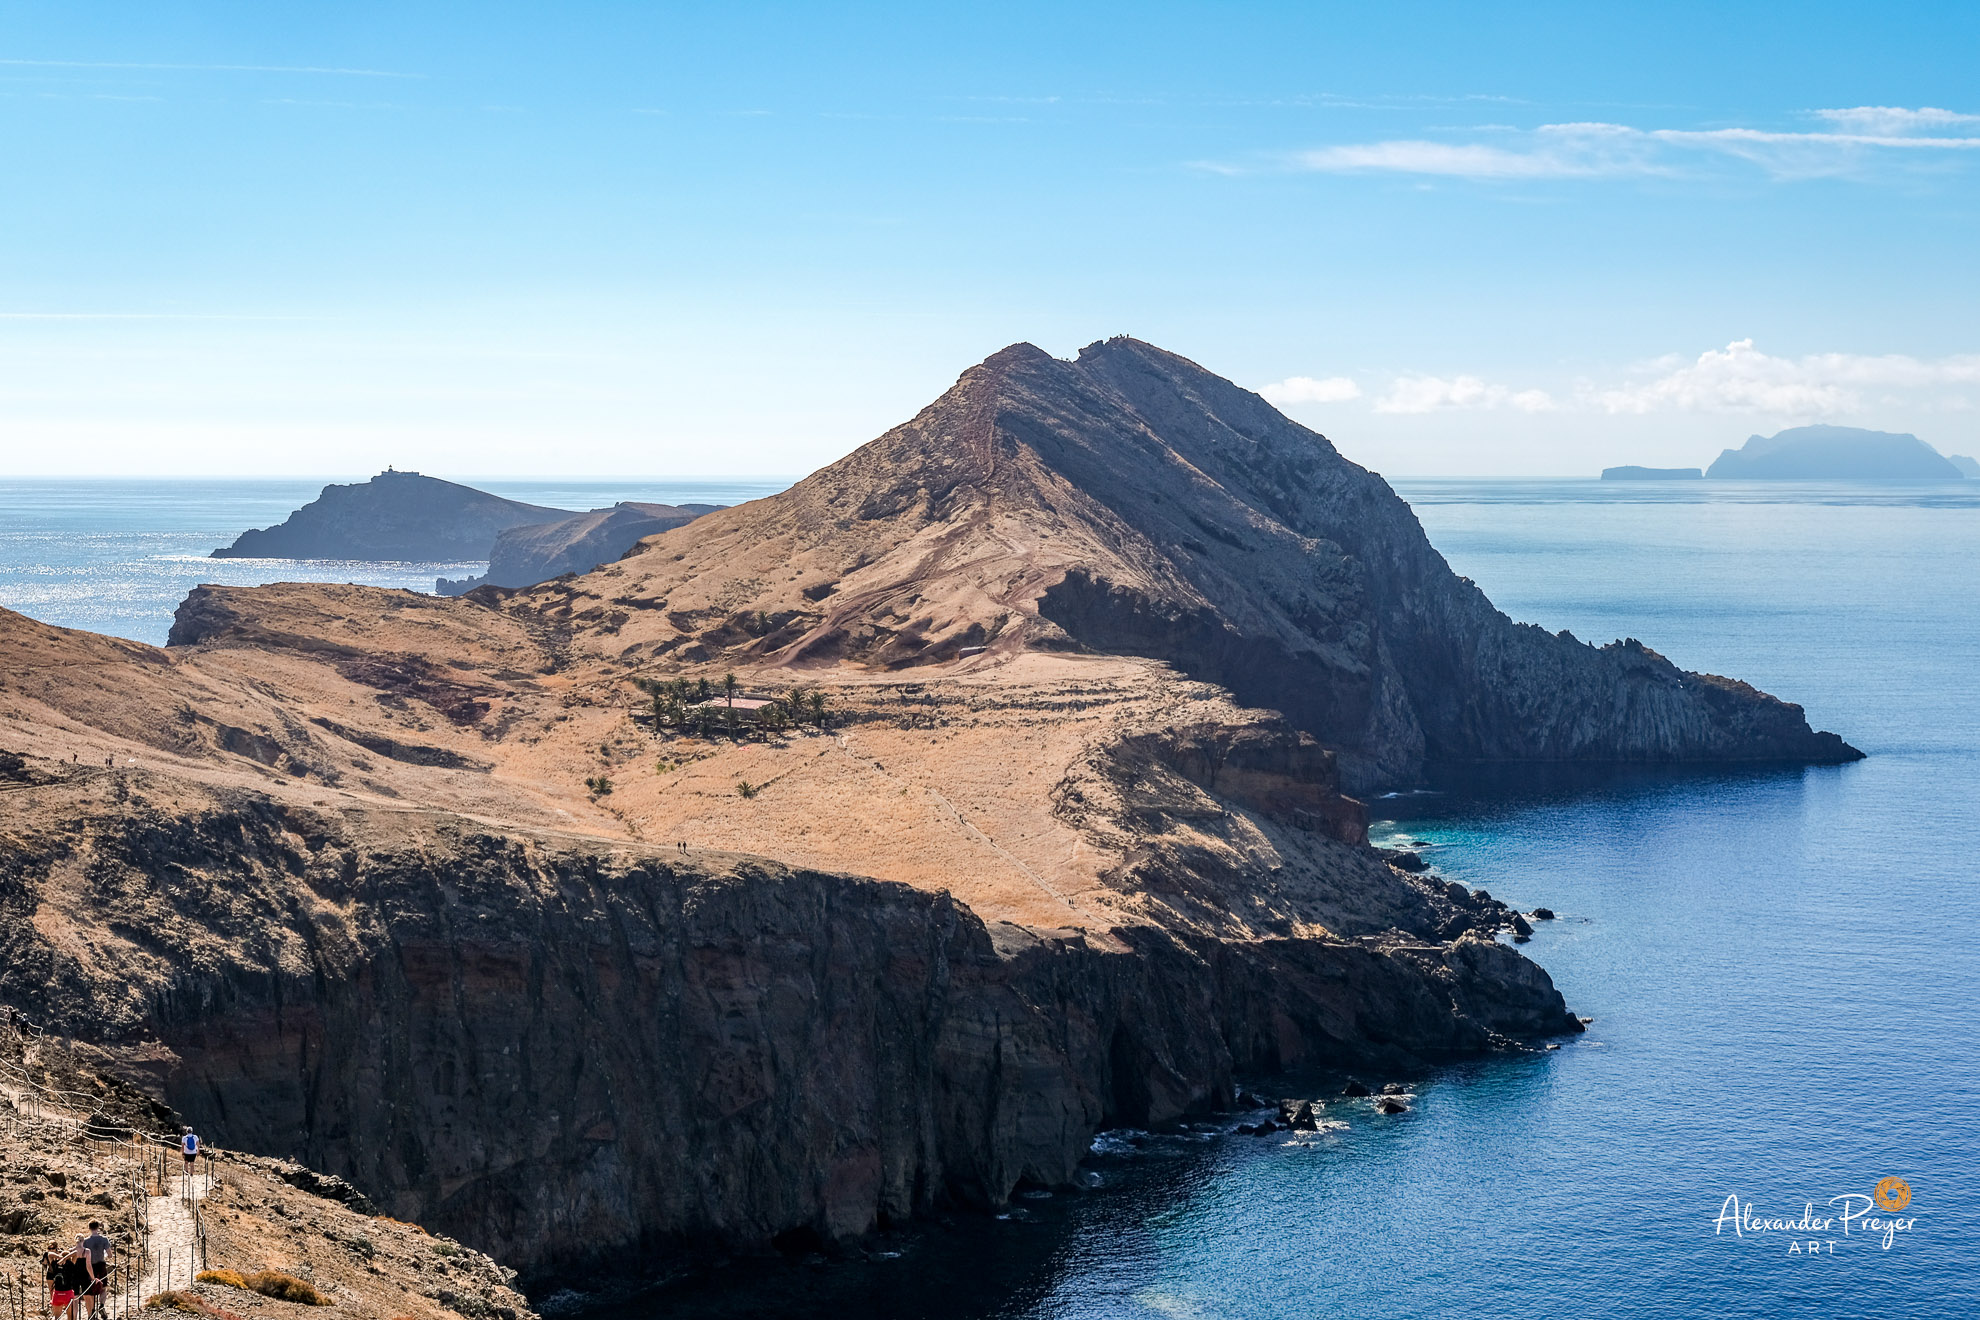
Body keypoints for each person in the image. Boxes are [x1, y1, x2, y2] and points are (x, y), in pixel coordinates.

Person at [77, 1223, 112, 1316]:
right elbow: (110, 1255)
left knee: (90, 1290)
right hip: (101, 1265)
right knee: (103, 1288)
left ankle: (92, 1312)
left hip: (90, 1267)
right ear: (98, 1227)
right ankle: (101, 1305)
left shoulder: (86, 1241)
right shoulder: (104, 1239)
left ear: (89, 1228)